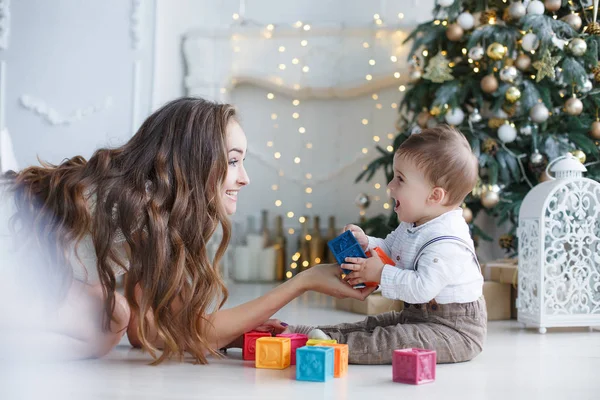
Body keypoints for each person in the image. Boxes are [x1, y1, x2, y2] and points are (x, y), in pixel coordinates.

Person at [0, 97, 371, 363]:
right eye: (233, 161)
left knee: (117, 316)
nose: (244, 178)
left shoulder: (150, 207)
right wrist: (302, 282)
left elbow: (154, 330)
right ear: (194, 161)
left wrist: (234, 329)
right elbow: (188, 331)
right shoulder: (137, 205)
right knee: (109, 317)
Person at [285, 125, 487, 364]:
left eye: (400, 179)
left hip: (455, 331)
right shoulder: (417, 223)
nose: (390, 187)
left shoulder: (447, 241)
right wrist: (367, 242)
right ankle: (316, 334)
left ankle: (330, 345)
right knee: (377, 323)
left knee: (391, 339)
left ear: (434, 196)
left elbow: (422, 288)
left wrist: (381, 274)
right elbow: (391, 249)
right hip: (419, 316)